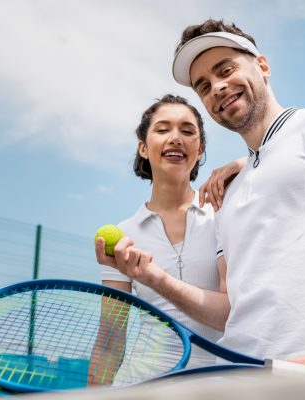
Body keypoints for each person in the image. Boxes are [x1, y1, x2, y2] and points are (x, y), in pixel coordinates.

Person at [170, 19, 305, 369]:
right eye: (204, 86)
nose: (217, 88)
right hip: (240, 377)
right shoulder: (227, 192)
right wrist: (151, 277)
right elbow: (232, 310)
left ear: (263, 66)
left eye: (226, 69)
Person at [91, 94, 233, 385]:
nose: (175, 137)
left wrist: (245, 162)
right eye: (163, 129)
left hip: (218, 387)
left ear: (200, 149)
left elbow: (232, 312)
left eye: (187, 130)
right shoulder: (125, 234)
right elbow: (110, 340)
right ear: (143, 148)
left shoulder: (225, 214)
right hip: (142, 386)